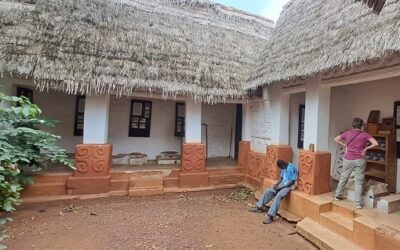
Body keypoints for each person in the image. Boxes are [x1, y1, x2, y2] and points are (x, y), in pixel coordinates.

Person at [334, 117, 378, 209]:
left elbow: (336, 139)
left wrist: (345, 145)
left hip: (348, 159)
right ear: (362, 126)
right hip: (359, 159)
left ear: (352, 125)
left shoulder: (347, 133)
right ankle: (358, 203)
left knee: (344, 177)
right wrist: (365, 149)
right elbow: (376, 143)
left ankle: (338, 195)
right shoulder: (365, 134)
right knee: (359, 181)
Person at [249, 159, 297, 224]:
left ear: (283, 164)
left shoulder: (292, 167)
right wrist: (276, 185)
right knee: (269, 191)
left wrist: (281, 187)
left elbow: (292, 182)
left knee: (279, 196)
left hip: (289, 186)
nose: (281, 169)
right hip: (282, 184)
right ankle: (259, 207)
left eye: (281, 167)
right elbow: (281, 179)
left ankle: (270, 216)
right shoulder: (283, 167)